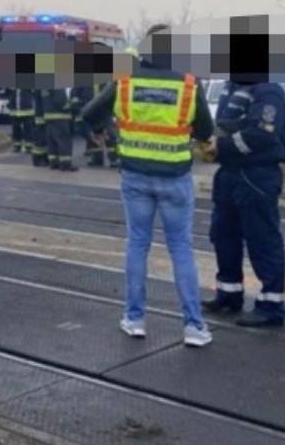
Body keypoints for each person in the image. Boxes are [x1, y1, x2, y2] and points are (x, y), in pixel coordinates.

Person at [80, 24, 215, 347]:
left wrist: (99, 130)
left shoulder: (126, 80)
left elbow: (89, 113)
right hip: (175, 178)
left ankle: (135, 318)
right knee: (181, 248)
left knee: (137, 244)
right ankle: (194, 326)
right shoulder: (188, 84)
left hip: (136, 176)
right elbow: (205, 130)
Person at [203, 78, 285, 327]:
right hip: (231, 175)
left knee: (262, 240)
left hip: (256, 176)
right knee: (223, 235)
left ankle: (271, 307)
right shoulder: (232, 88)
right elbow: (224, 125)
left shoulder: (268, 91)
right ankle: (228, 295)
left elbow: (262, 134)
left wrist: (223, 144)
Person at [42, 88, 76, 172]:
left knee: (52, 140)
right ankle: (65, 164)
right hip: (60, 116)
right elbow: (60, 100)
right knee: (64, 139)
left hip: (49, 115)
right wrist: (70, 106)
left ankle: (54, 162)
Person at [9, 88, 33, 154]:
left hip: (27, 111)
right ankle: (17, 146)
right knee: (16, 129)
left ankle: (29, 147)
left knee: (28, 129)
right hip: (15, 111)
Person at [30, 88, 48, 166]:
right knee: (40, 139)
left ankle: (43, 158)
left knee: (44, 138)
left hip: (42, 114)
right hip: (41, 115)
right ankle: (38, 159)